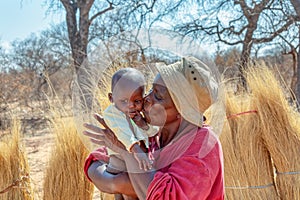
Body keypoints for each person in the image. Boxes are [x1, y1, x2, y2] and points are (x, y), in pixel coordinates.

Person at [83, 56, 225, 200]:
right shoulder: (154, 132)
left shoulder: (203, 146)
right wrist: (115, 182)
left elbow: (164, 197)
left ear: (182, 111)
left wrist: (126, 153)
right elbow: (95, 161)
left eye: (158, 96)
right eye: (151, 89)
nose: (147, 98)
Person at [99, 68, 159, 199]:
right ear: (111, 98)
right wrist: (136, 148)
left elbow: (153, 132)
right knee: (126, 192)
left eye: (137, 101)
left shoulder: (140, 115)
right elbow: (122, 132)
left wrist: (144, 125)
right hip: (119, 162)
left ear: (143, 99)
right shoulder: (112, 112)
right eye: (124, 101)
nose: (131, 106)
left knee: (135, 192)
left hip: (138, 161)